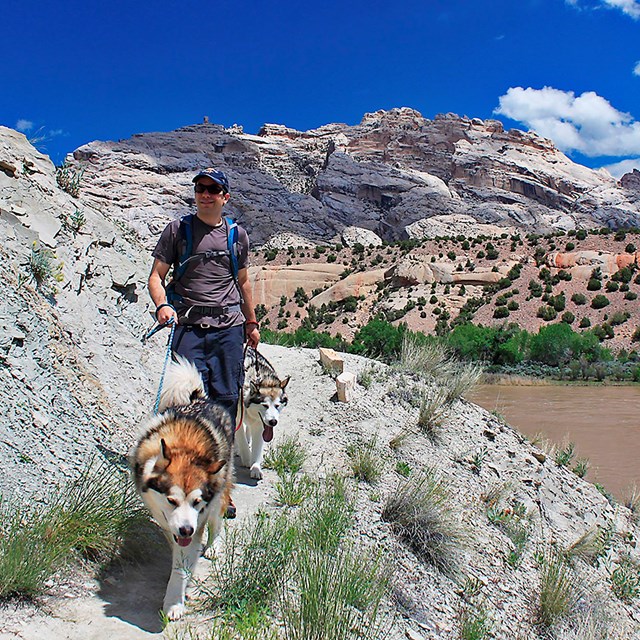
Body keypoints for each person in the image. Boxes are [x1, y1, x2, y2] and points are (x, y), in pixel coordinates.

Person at [148, 168, 260, 516]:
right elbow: (156, 277)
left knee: (225, 407)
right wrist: (162, 304)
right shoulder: (177, 231)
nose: (205, 194)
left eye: (213, 189)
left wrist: (252, 323)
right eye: (200, 188)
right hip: (189, 328)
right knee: (186, 407)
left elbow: (242, 283)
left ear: (225, 197)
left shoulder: (236, 235)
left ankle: (221, 489)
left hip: (228, 329)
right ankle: (181, 481)